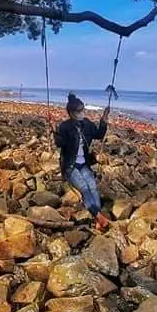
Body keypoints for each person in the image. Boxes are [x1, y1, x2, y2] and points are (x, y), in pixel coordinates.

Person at [54, 92, 111, 229]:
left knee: (93, 187)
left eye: (83, 109)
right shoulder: (65, 127)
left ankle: (97, 218)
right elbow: (60, 143)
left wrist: (104, 119)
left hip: (84, 164)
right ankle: (99, 217)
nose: (82, 112)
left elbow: (99, 135)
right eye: (79, 111)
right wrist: (53, 130)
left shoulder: (87, 124)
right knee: (85, 189)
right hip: (70, 166)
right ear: (72, 113)